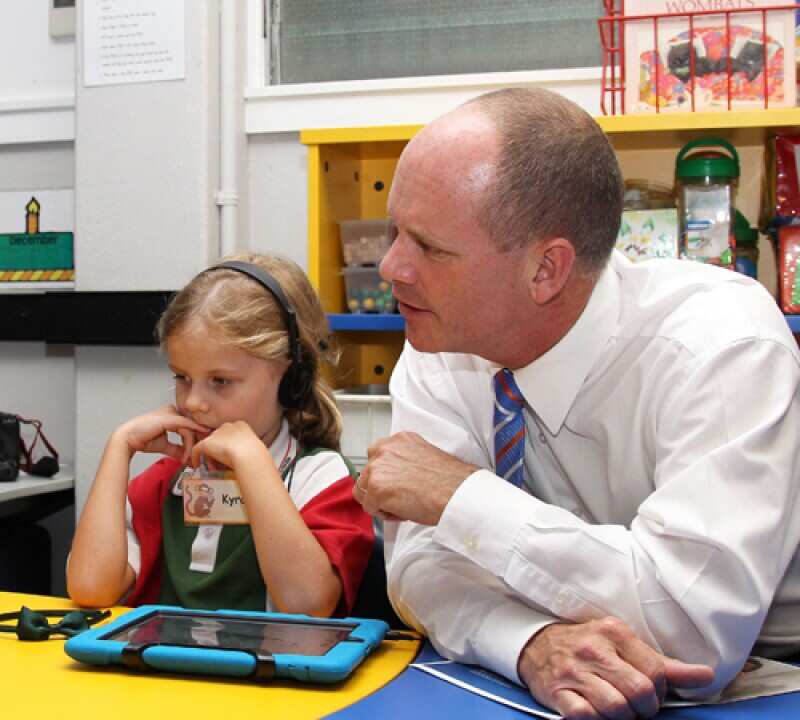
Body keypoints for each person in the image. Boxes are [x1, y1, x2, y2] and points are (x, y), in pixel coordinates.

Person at [354, 86, 800, 718]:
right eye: (395, 231)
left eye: (429, 247)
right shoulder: (440, 338)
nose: (392, 267)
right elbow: (421, 564)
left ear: (546, 270)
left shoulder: (721, 347)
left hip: (773, 672)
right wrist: (528, 641)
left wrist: (461, 497)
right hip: (560, 677)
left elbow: (691, 633)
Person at [67, 253, 373, 617]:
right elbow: (89, 587)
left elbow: (306, 605)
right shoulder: (168, 481)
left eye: (221, 381)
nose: (194, 402)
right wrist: (119, 448)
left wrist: (253, 463)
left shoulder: (320, 479)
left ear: (290, 378)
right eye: (181, 378)